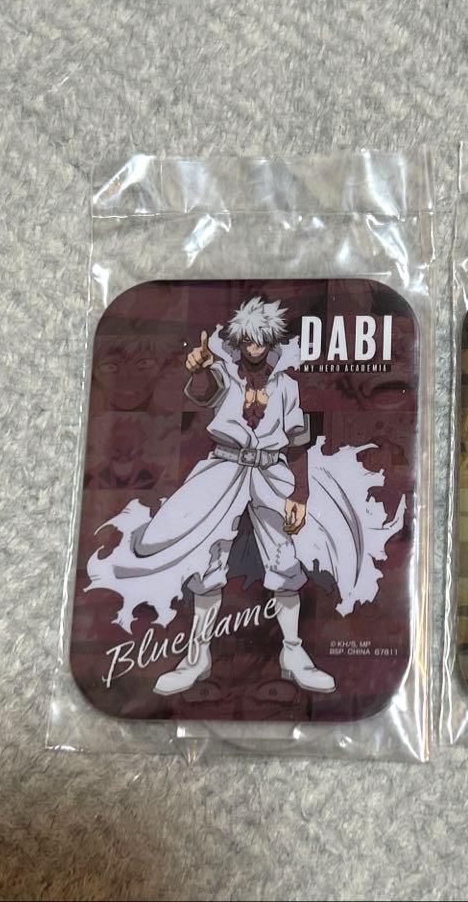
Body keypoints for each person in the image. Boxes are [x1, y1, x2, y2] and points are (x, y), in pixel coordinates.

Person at [88, 297, 335, 696]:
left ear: (271, 340)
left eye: (262, 340)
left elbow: (297, 441)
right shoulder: (224, 372)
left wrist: (301, 493)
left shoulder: (286, 385)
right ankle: (197, 656)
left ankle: (292, 652)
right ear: (238, 340)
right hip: (224, 467)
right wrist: (201, 368)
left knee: (285, 559)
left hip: (272, 472)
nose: (255, 347)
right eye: (248, 340)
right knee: (206, 561)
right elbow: (203, 392)